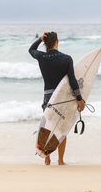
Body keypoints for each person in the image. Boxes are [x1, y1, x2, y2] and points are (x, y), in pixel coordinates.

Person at [29, 31, 85, 165]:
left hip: (48, 97)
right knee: (62, 128)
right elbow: (72, 81)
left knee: (48, 126)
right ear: (57, 42)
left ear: (45, 43)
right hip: (62, 97)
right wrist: (79, 98)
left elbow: (31, 50)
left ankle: (47, 158)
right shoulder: (66, 59)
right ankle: (60, 160)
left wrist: (39, 40)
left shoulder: (41, 57)